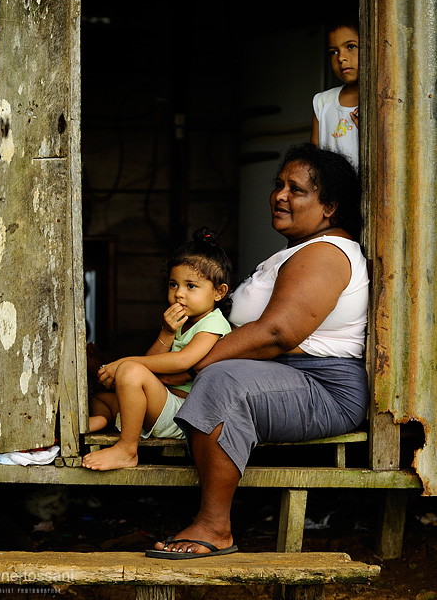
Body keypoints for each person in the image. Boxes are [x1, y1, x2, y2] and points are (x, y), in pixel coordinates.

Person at [146, 143, 369, 559]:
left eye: (297, 190)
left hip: (322, 386)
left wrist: (192, 367)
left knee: (222, 381)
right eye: (278, 185)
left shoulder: (325, 254)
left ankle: (215, 526)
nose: (281, 195)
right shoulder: (298, 250)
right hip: (285, 377)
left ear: (330, 207)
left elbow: (276, 333)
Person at [82, 227, 233, 472]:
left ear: (219, 292)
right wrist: (166, 333)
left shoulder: (213, 323)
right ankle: (102, 419)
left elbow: (183, 361)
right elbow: (152, 362)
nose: (179, 294)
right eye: (174, 284)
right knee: (103, 397)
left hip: (183, 414)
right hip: (163, 404)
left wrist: (125, 362)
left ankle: (127, 449)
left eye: (191, 286)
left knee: (130, 371)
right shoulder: (183, 323)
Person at [310, 19, 359, 168]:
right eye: (334, 52)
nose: (341, 58)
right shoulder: (323, 102)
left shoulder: (384, 100)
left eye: (350, 46)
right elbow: (313, 159)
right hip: (334, 190)